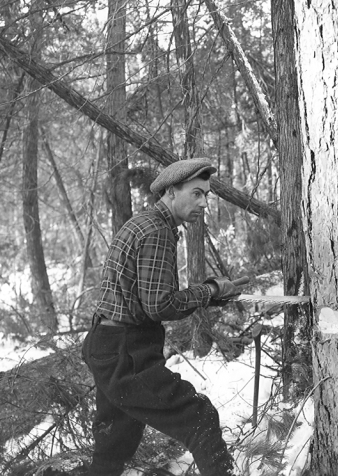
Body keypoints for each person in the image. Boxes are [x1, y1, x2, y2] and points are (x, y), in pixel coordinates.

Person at [81, 158, 239, 476]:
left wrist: (211, 293)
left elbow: (147, 301)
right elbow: (159, 306)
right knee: (200, 417)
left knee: (113, 446)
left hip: (109, 347)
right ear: (170, 192)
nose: (203, 202)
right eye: (196, 193)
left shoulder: (145, 224)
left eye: (206, 195)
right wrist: (209, 291)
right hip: (125, 354)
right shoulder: (156, 232)